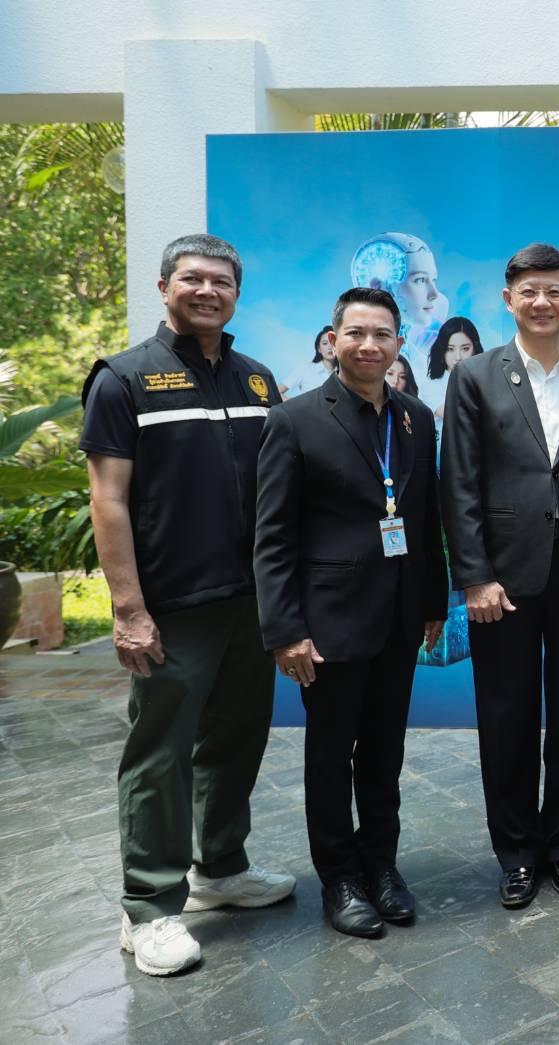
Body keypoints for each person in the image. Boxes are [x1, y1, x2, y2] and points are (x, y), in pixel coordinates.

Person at [79, 233, 294, 977]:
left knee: (236, 740)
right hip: (171, 606)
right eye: (193, 279)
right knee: (160, 754)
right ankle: (147, 908)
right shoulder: (123, 379)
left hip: (250, 600)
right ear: (165, 285)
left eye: (221, 282)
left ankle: (221, 869)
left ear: (236, 293)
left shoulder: (257, 380)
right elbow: (108, 499)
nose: (208, 291)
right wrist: (128, 609)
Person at [254, 287, 449, 938]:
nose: (370, 345)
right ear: (332, 340)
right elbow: (272, 534)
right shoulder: (294, 419)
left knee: (385, 752)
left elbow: (424, 515)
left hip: (400, 617)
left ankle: (382, 866)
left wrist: (433, 600)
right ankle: (339, 877)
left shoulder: (415, 417)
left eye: (382, 334)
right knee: (331, 755)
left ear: (399, 343)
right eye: (357, 333)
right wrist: (285, 628)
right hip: (328, 621)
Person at [442, 243, 559, 909]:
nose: (542, 302)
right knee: (506, 717)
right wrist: (474, 577)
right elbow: (458, 482)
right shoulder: (475, 377)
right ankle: (517, 853)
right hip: (503, 582)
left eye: (554, 291)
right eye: (529, 291)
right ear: (508, 299)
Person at [351, 232, 450, 372]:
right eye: (420, 280)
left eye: (433, 280)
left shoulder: (420, 364)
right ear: (378, 287)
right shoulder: (358, 360)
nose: (434, 294)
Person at [424, 316, 482, 419]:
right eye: (450, 349)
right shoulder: (430, 386)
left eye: (465, 349)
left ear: (475, 348)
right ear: (442, 351)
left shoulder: (486, 381)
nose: (458, 357)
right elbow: (457, 416)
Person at [280, 326, 335, 399]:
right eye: (325, 343)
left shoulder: (345, 373)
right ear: (319, 349)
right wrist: (293, 405)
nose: (330, 347)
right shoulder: (305, 369)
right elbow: (278, 391)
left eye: (333, 342)